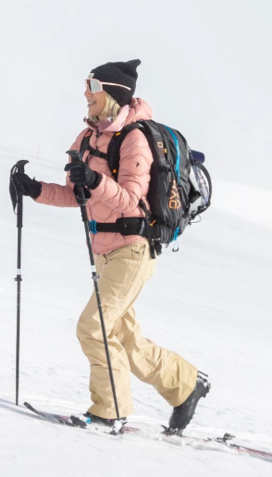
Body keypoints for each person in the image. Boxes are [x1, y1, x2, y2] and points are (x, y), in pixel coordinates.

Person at [11, 60, 210, 432]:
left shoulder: (133, 139)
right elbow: (77, 195)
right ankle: (187, 385)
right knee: (124, 339)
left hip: (133, 247)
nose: (86, 92)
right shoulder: (87, 138)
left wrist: (95, 179)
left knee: (94, 326)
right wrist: (35, 189)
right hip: (104, 248)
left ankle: (110, 411)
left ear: (113, 93)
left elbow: (133, 201)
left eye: (93, 85)